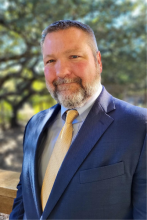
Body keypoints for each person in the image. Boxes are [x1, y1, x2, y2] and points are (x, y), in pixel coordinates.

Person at [10, 20, 146, 220]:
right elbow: (24, 195)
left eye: (74, 56)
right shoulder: (35, 125)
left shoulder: (139, 127)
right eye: (50, 61)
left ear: (98, 61)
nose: (62, 72)